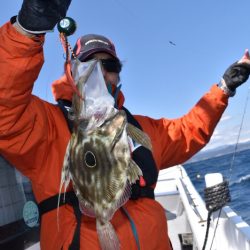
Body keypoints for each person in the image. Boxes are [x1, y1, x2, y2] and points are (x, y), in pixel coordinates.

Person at [1, 1, 250, 250]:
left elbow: (188, 132)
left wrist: (223, 89)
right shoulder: (45, 127)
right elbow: (5, 106)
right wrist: (27, 30)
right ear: (73, 72)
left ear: (118, 75)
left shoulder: (139, 128)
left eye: (109, 66)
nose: (98, 73)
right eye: (89, 66)